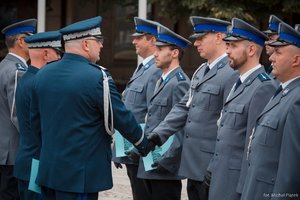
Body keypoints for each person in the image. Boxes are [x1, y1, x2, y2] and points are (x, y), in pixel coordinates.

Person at [30, 16, 150, 200]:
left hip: (49, 171)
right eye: (98, 41)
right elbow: (120, 116)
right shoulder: (97, 77)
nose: (101, 46)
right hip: (80, 175)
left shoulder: (43, 74)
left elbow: (35, 124)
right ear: (86, 44)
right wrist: (143, 143)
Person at [145, 16, 238, 200]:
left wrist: (214, 165)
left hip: (212, 167)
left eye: (201, 38)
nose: (196, 44)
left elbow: (229, 126)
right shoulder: (201, 71)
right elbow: (183, 108)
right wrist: (158, 135)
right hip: (193, 166)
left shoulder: (231, 72)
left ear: (219, 37)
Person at [207, 18, 277, 200]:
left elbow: (252, 146)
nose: (227, 50)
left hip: (236, 186)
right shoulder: (238, 83)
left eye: (233, 46)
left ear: (251, 50)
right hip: (220, 178)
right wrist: (212, 167)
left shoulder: (263, 87)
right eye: (227, 45)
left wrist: (244, 189)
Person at [241, 22, 300, 200]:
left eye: (278, 53)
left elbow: (289, 173)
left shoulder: (297, 100)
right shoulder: (282, 92)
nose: (271, 58)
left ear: (296, 60)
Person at [134, 24, 191, 200]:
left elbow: (181, 125)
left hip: (163, 168)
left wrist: (167, 160)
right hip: (150, 163)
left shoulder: (180, 82)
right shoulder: (162, 80)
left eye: (160, 49)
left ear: (174, 53)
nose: (155, 53)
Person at [112, 17, 162, 200]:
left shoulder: (155, 70)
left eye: (139, 37)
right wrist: (119, 149)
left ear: (153, 40)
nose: (134, 41)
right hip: (133, 151)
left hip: (142, 152)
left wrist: (145, 152)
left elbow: (152, 115)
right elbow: (131, 110)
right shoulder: (143, 68)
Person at [14, 31, 62, 200]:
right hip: (37, 166)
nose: (60, 59)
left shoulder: (28, 78)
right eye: (58, 53)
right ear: (46, 54)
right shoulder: (39, 83)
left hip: (28, 162)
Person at [0, 18, 37, 200]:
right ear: (21, 41)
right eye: (32, 38)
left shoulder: (3, 66)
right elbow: (19, 115)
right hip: (13, 153)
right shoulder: (17, 71)